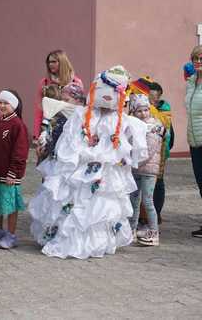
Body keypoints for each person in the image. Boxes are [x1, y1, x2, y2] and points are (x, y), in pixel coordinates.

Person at [29, 66, 148, 259]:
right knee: (75, 202)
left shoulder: (119, 119)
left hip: (105, 171)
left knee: (100, 207)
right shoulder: (81, 115)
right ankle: (67, 237)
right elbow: (70, 139)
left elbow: (133, 136)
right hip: (80, 165)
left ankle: (97, 241)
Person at [0, 90, 29, 250]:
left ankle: (11, 234)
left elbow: (20, 151)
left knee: (10, 205)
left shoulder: (18, 125)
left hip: (10, 175)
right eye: (0, 102)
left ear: (14, 105)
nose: (2, 106)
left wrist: (14, 172)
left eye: (6, 103)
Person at [128, 94, 164, 246]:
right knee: (134, 201)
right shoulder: (134, 126)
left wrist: (133, 161)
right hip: (136, 169)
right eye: (139, 111)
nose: (143, 114)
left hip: (148, 170)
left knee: (147, 201)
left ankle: (154, 232)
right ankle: (131, 230)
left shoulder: (154, 127)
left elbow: (149, 150)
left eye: (145, 110)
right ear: (133, 113)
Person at [33, 50, 83, 139]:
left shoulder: (75, 82)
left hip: (70, 129)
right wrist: (36, 134)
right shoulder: (44, 83)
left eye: (54, 61)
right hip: (49, 129)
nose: (50, 64)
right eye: (49, 62)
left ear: (62, 62)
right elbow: (39, 110)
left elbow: (80, 110)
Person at [148, 81, 173, 221]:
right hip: (147, 151)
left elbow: (163, 123)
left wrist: (150, 108)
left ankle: (156, 214)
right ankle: (144, 215)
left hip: (161, 151)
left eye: (154, 96)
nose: (152, 99)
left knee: (158, 182)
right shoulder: (144, 107)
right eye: (149, 96)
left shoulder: (164, 108)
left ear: (159, 96)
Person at [186, 45, 202, 237]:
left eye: (201, 58)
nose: (198, 62)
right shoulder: (191, 82)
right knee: (201, 183)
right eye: (195, 59)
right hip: (194, 139)